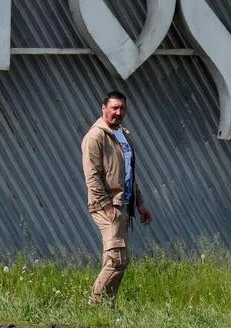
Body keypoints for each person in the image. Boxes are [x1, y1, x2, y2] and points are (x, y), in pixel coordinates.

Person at [81, 90, 153, 305]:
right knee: (117, 260)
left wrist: (140, 204)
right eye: (114, 108)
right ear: (104, 108)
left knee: (114, 261)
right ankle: (93, 306)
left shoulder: (123, 134)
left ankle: (106, 307)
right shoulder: (96, 136)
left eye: (122, 108)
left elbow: (128, 173)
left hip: (124, 204)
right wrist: (107, 207)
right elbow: (92, 176)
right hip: (108, 206)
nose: (118, 112)